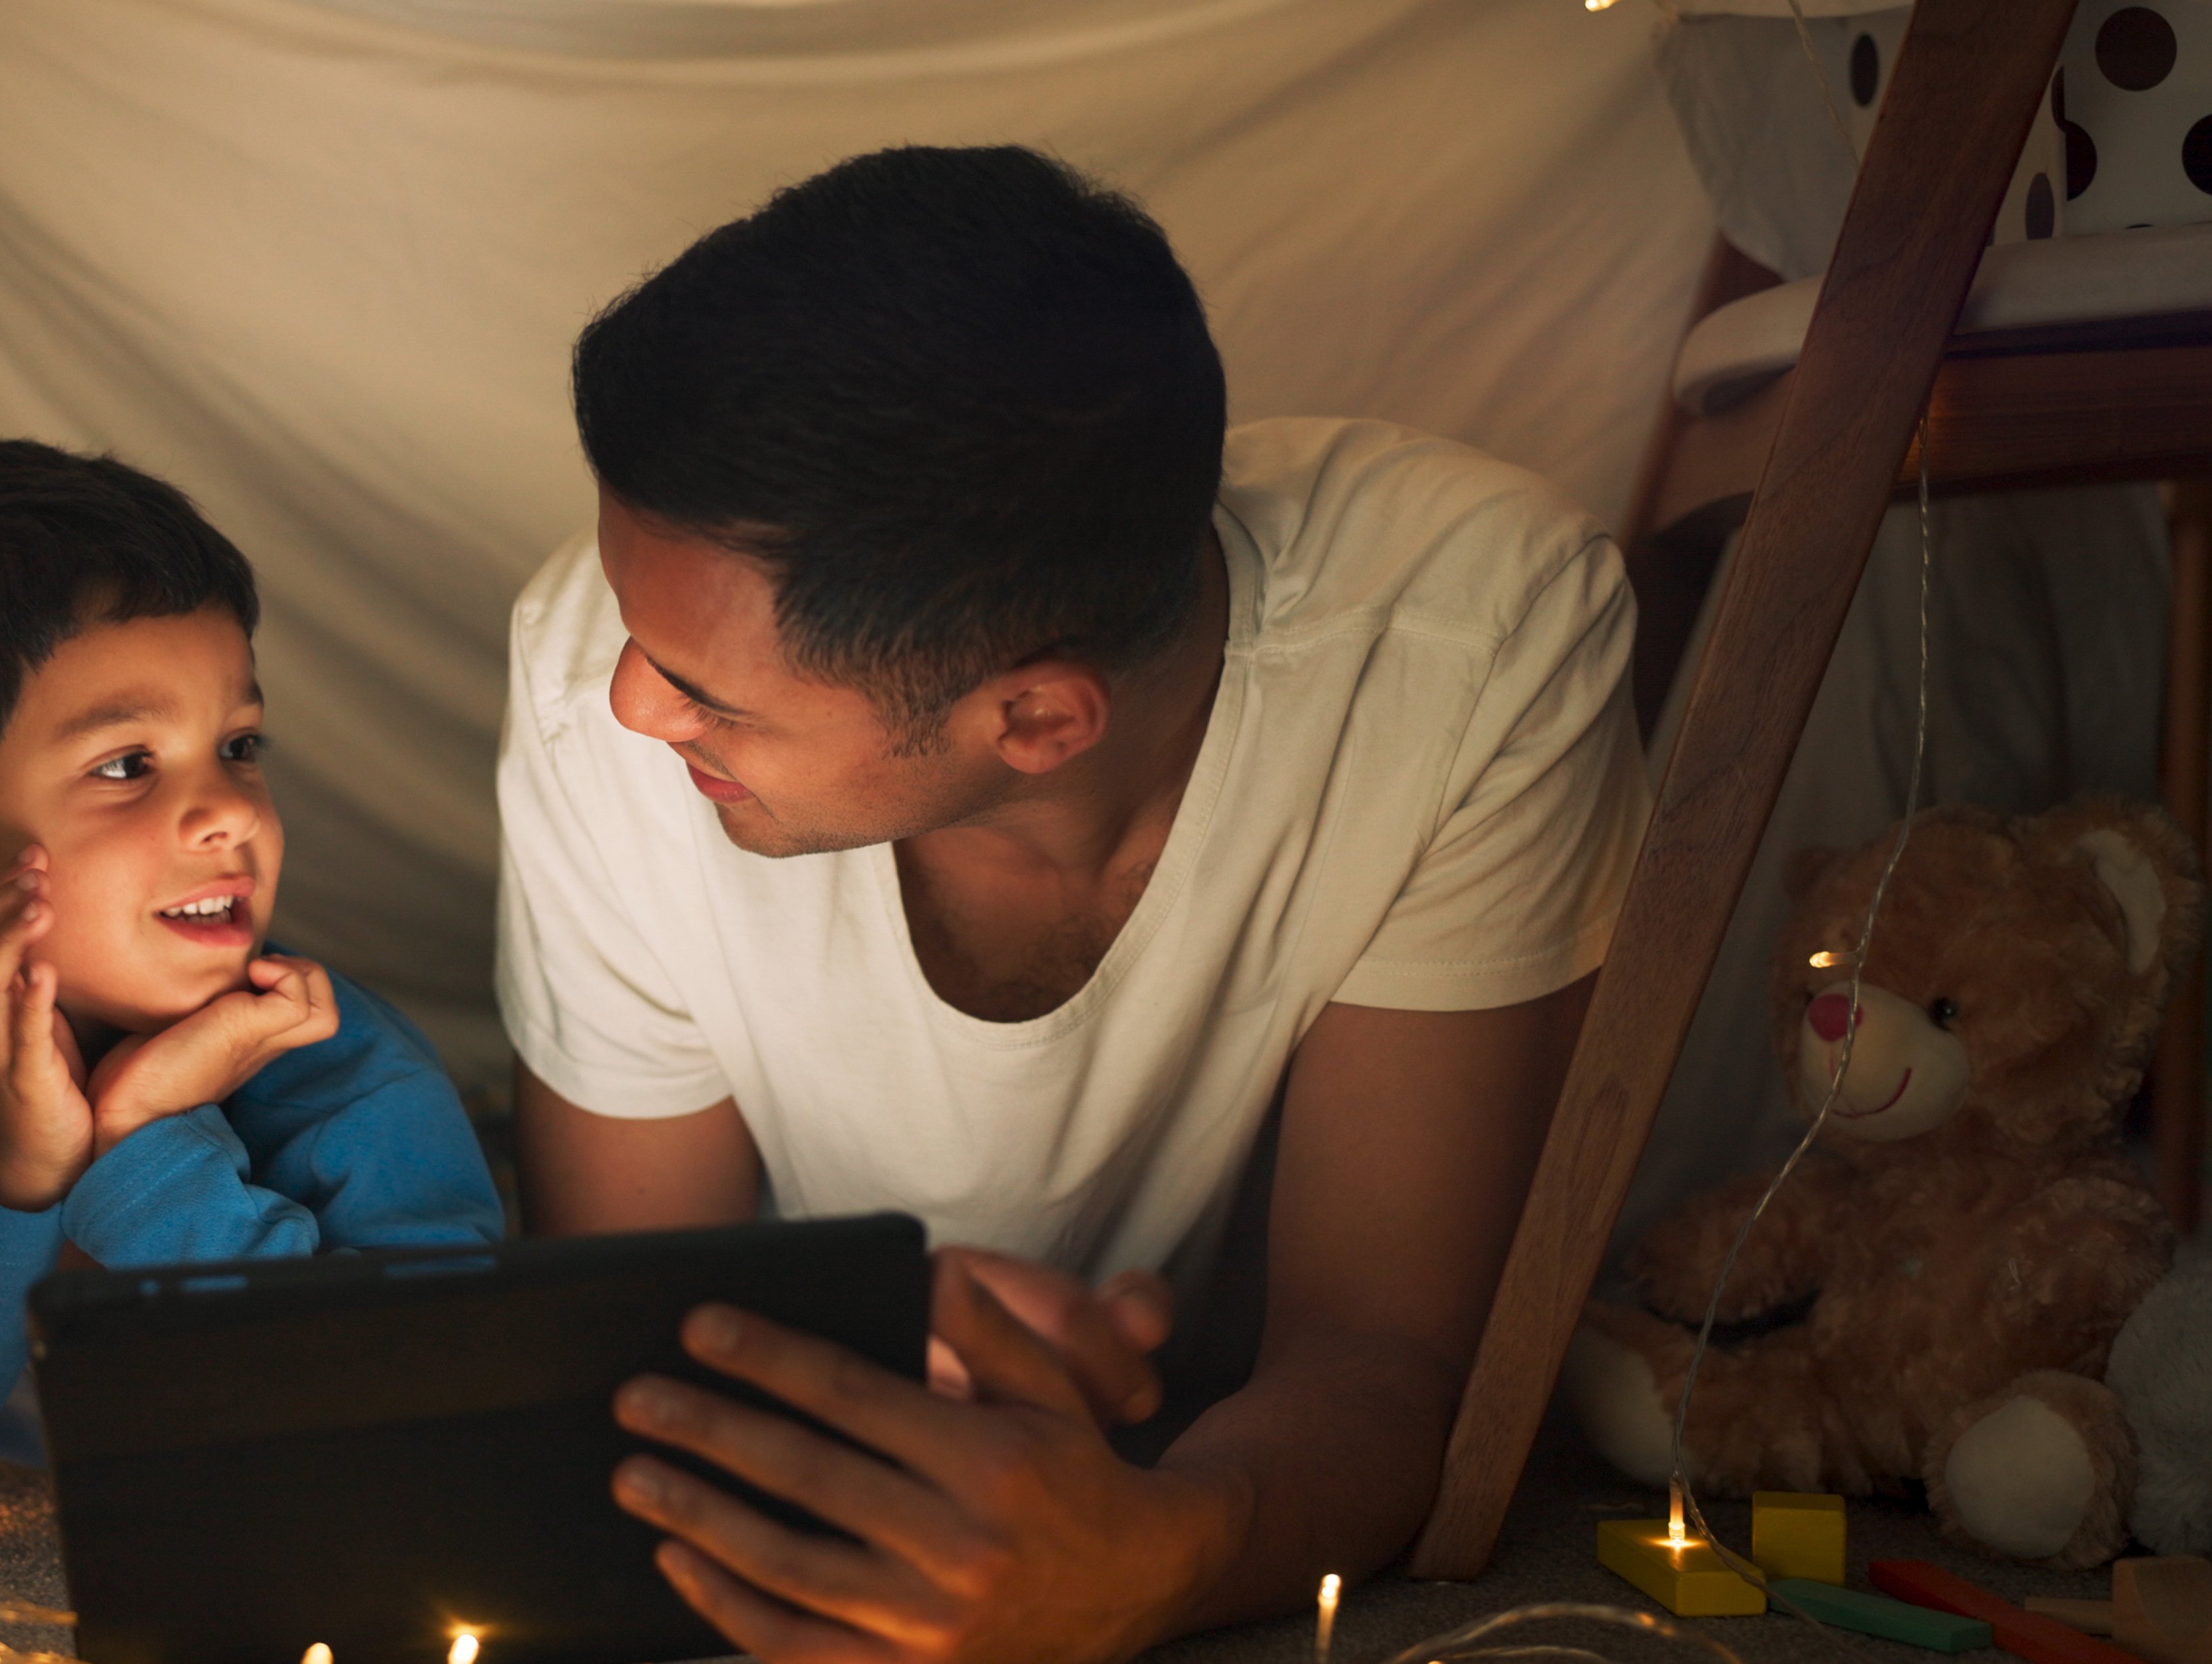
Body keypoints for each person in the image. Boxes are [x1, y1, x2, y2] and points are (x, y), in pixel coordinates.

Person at [499, 146, 1647, 1660]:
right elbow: (632, 1343)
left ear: (1036, 720)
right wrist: (841, 1328)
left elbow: (1390, 1355)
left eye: (708, 687)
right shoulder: (594, 674)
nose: (634, 701)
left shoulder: (1468, 636)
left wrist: (1165, 1553)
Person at [0, 441, 504, 1546]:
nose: (229, 811)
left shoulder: (339, 1065)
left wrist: (144, 1142)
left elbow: (432, 1440)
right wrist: (15, 1177)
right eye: (128, 765)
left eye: (239, 744)